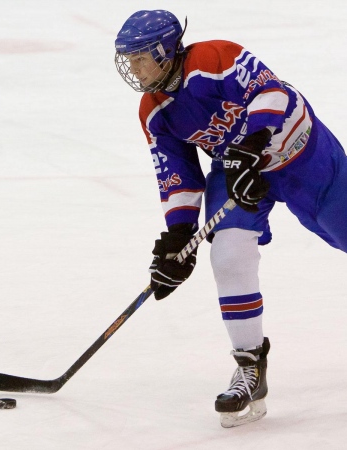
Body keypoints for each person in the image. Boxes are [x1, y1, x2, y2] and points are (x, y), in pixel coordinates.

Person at [114, 10, 347, 428]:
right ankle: (250, 366)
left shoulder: (216, 57)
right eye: (128, 61)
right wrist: (179, 237)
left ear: (166, 50)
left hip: (300, 153)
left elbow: (271, 93)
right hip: (235, 173)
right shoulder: (153, 110)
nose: (134, 69)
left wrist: (254, 143)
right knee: (227, 256)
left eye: (140, 58)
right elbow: (177, 174)